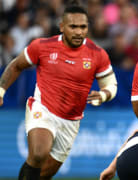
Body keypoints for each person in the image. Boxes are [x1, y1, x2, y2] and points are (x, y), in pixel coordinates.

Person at [0, 2, 117, 180]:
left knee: (45, 173)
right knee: (39, 153)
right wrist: (1, 90)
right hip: (43, 108)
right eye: (73, 26)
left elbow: (111, 85)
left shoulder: (97, 54)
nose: (79, 32)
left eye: (83, 27)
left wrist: (103, 95)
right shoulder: (43, 46)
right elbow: (16, 65)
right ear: (62, 27)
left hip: (71, 121)